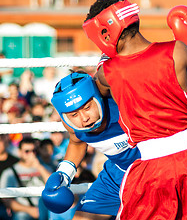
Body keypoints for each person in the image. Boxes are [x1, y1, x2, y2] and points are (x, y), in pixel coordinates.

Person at [83, 0, 187, 219]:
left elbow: (101, 94)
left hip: (152, 164)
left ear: (105, 31)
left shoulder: (107, 73)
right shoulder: (177, 51)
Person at [41, 72, 141, 219]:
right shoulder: (73, 126)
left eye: (87, 107)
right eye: (74, 115)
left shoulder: (123, 106)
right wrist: (64, 173)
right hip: (116, 174)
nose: (84, 118)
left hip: (153, 171)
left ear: (98, 97)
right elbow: (77, 142)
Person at [0, 137, 51, 220]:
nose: (32, 154)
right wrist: (30, 210)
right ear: (19, 152)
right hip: (24, 211)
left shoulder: (44, 168)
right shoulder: (10, 172)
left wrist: (39, 167)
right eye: (27, 151)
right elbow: (6, 200)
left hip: (47, 209)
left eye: (34, 151)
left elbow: (54, 185)